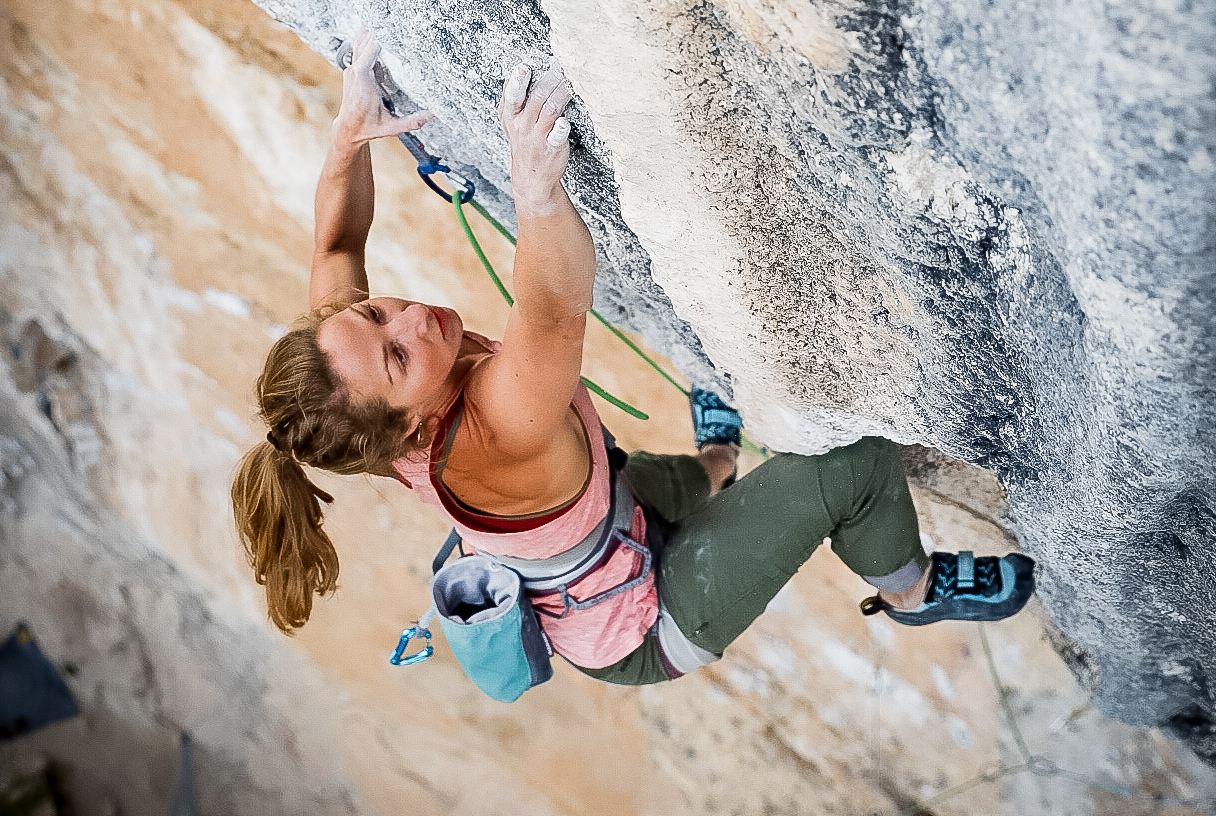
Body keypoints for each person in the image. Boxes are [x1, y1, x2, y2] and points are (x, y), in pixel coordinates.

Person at [231, 31, 1036, 687]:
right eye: (400, 356)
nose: (411, 318)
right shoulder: (497, 433)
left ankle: (716, 461)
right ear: (408, 428)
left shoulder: (353, 390)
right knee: (853, 464)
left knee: (689, 480)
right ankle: (915, 590)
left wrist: (348, 138)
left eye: (377, 313)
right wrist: (536, 189)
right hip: (641, 623)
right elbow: (551, 306)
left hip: (613, 510)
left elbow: (336, 244)